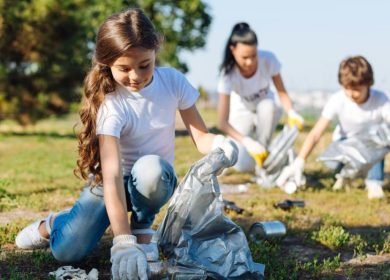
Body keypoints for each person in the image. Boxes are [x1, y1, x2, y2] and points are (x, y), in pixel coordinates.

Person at [15, 8, 237, 280]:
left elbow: (201, 137)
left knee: (151, 169)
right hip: (111, 184)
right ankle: (55, 223)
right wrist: (121, 242)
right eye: (124, 68)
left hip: (152, 181)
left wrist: (221, 143)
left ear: (155, 50)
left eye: (144, 64)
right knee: (67, 251)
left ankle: (143, 226)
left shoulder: (173, 82)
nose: (135, 76)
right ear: (107, 63)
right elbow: (112, 176)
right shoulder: (111, 103)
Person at [277, 55, 390, 199]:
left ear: (368, 84)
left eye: (356, 89)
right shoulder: (338, 99)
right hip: (345, 143)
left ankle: (374, 182)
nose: (351, 94)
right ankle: (345, 175)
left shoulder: (380, 100)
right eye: (347, 88)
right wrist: (300, 160)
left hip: (371, 144)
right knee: (331, 163)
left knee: (379, 142)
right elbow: (316, 133)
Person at [217, 22, 304, 173]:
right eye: (244, 57)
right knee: (242, 164)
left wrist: (291, 112)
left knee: (268, 107)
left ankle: (266, 158)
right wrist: (247, 142)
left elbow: (281, 93)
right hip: (242, 111)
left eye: (253, 56)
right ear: (233, 50)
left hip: (266, 108)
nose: (249, 62)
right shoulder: (228, 75)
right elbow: (222, 123)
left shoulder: (269, 60)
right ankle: (259, 156)